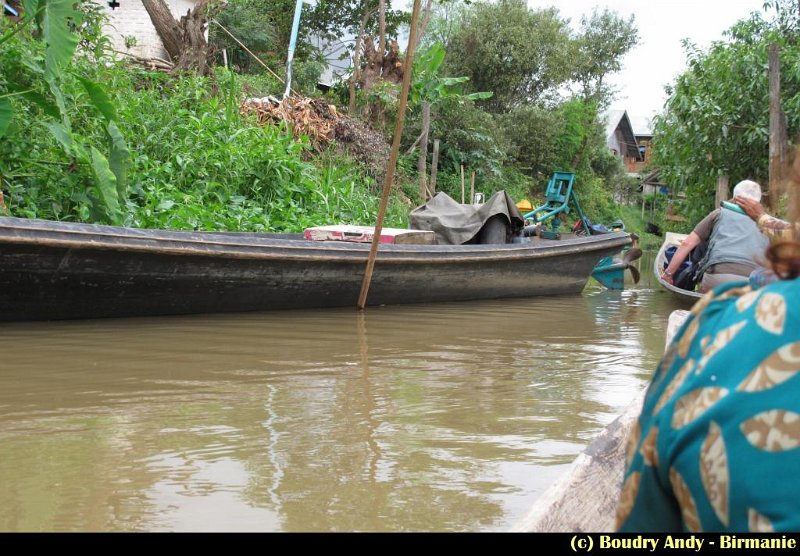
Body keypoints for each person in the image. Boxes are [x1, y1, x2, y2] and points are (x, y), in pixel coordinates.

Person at [616, 160, 800, 532]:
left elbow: (687, 244)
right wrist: (763, 218)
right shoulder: (768, 228)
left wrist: (668, 273)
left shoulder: (719, 218)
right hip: (750, 280)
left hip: (717, 287)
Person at [661, 180, 769, 292]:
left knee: (703, 293)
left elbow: (687, 243)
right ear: (759, 201)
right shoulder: (769, 224)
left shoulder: (719, 213)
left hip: (718, 277)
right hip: (752, 283)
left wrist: (668, 274)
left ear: (735, 197)